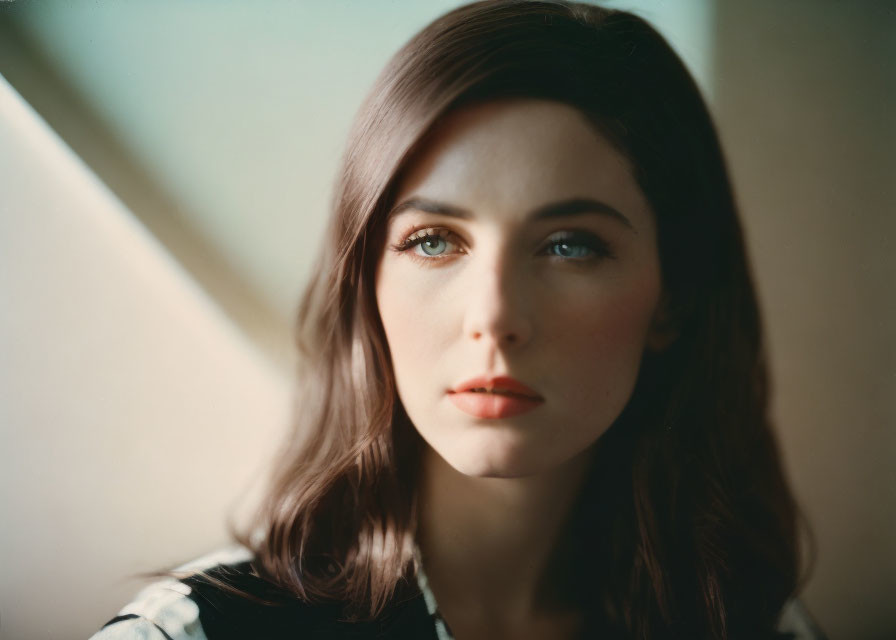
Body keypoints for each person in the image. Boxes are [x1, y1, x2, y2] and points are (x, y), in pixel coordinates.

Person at [91, 1, 826, 638]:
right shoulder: (191, 634)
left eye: (570, 246)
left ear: (675, 297)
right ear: (366, 285)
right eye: (433, 241)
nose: (495, 317)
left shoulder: (757, 625)